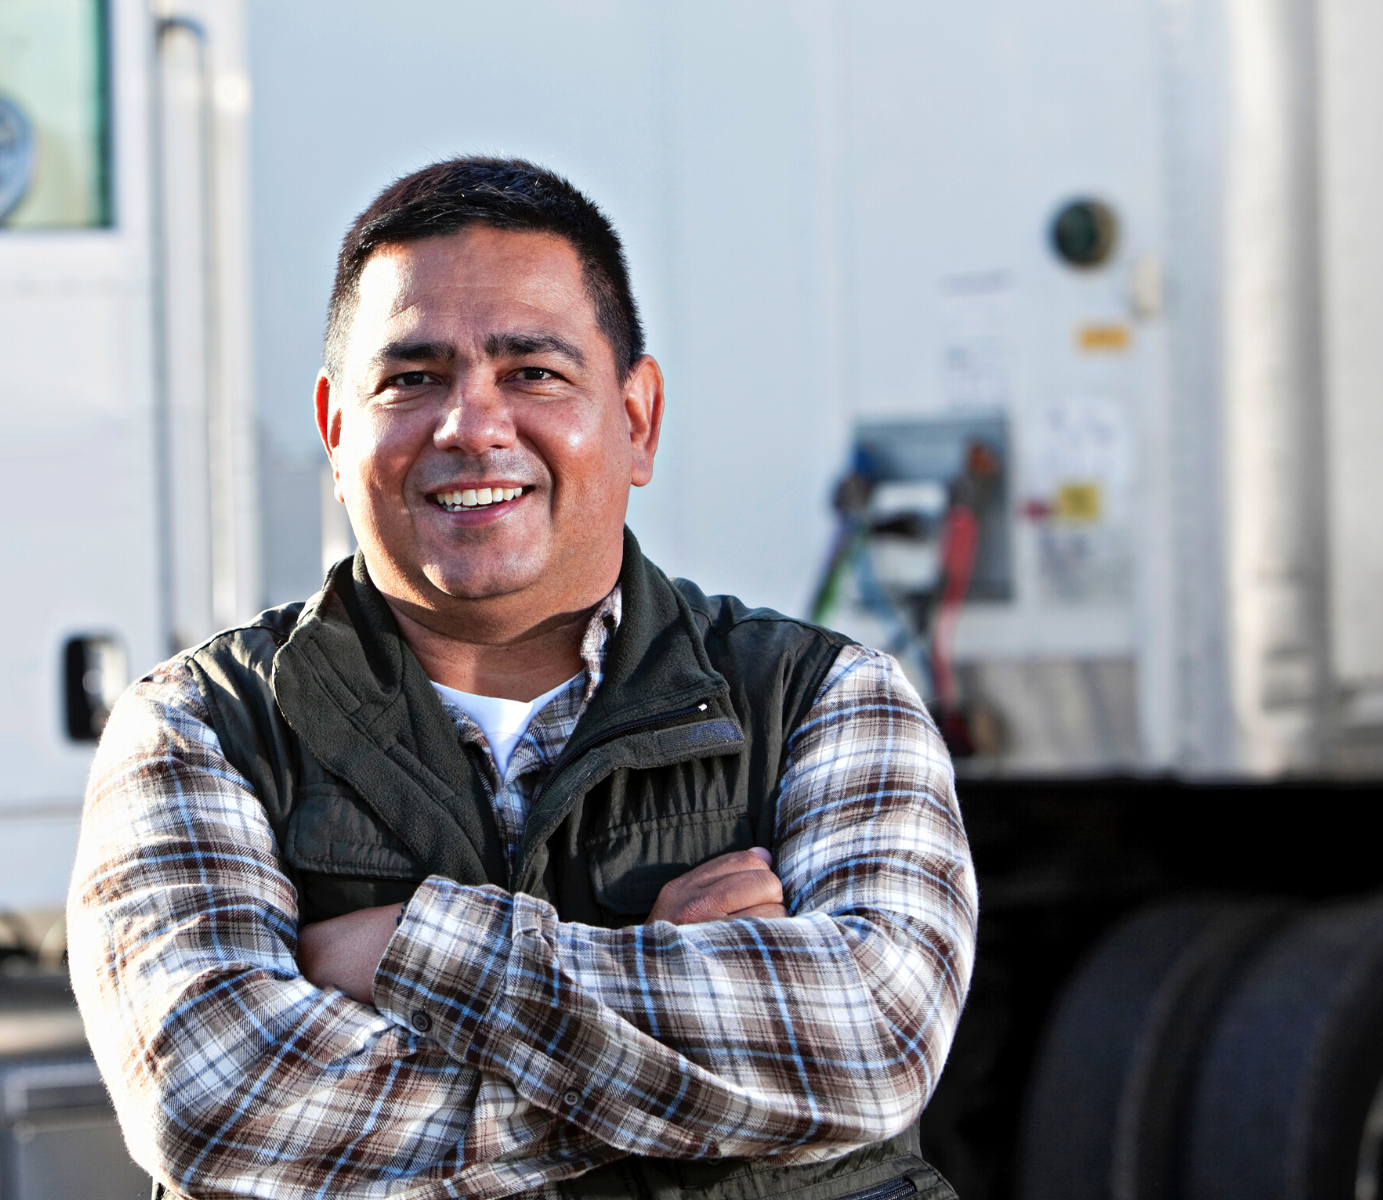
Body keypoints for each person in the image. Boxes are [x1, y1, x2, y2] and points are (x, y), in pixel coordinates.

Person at [69, 157, 975, 1200]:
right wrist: (681, 1042)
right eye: (411, 379)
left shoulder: (829, 703)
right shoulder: (197, 728)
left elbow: (866, 1047)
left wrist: (412, 948)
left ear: (636, 420)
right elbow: (223, 1102)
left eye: (532, 372)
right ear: (333, 428)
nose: (471, 426)